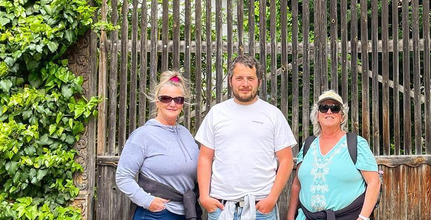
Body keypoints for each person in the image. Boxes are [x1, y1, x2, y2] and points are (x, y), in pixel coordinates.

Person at [196, 54, 297, 220]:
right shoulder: (216, 113)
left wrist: (271, 199)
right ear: (230, 81)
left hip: (261, 208)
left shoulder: (273, 114)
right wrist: (205, 197)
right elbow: (205, 158)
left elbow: (286, 160)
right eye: (239, 78)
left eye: (251, 78)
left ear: (259, 82)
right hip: (222, 207)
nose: (245, 84)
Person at [116, 70, 201, 220]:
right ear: (157, 101)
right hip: (156, 214)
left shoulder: (186, 134)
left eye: (178, 99)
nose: (172, 103)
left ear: (183, 103)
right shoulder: (143, 135)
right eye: (166, 98)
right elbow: (123, 177)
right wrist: (148, 202)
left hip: (186, 213)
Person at [287, 90, 380, 220]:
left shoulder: (356, 144)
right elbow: (297, 184)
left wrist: (363, 218)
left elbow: (374, 182)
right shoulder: (308, 145)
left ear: (342, 116)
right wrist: (290, 217)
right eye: (324, 108)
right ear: (317, 115)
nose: (329, 112)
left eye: (335, 108)